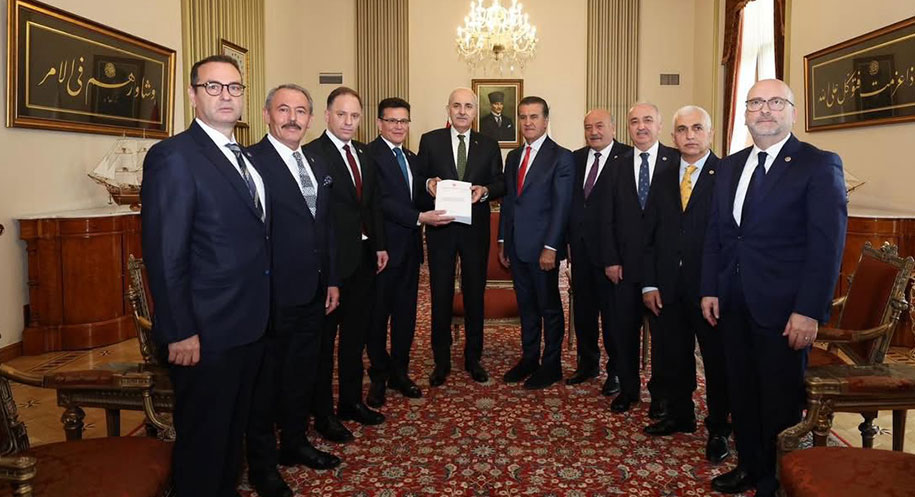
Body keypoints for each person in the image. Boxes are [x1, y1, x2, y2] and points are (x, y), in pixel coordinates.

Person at [700, 79, 847, 497]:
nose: (765, 110)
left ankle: (778, 481)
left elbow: (826, 246)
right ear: (745, 114)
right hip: (733, 301)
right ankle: (749, 466)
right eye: (756, 103)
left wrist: (809, 310)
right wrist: (710, 287)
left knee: (779, 400)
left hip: (785, 309)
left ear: (793, 112)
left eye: (776, 102)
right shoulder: (729, 166)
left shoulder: (818, 164)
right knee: (742, 391)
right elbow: (717, 234)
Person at [141, 54, 268, 497]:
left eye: (234, 87)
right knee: (203, 444)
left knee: (232, 438)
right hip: (204, 333)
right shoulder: (174, 156)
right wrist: (179, 330)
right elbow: (165, 253)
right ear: (193, 95)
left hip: (248, 325)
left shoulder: (244, 158)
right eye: (213, 86)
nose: (226, 96)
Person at [244, 84, 341, 497]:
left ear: (311, 119)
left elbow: (325, 226)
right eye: (283, 110)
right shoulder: (251, 162)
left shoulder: (316, 161)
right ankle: (263, 467)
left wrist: (331, 279)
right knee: (265, 384)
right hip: (271, 295)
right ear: (267, 114)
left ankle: (295, 443)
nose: (292, 118)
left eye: (301, 111)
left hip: (314, 291)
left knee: (302, 374)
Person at [640, 105, 730, 464]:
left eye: (697, 128)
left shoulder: (726, 174)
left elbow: (730, 238)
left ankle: (719, 427)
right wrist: (649, 284)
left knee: (716, 362)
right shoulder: (662, 177)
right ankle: (680, 414)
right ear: (673, 136)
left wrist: (717, 287)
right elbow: (649, 235)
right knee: (673, 355)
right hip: (667, 286)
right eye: (682, 130)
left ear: (710, 133)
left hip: (709, 289)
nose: (689, 135)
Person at [303, 86, 387, 443]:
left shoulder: (364, 154)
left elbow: (371, 205)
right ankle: (323, 414)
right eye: (342, 114)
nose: (349, 122)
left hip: (364, 261)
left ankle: (351, 402)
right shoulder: (312, 154)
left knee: (355, 338)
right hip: (330, 266)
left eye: (354, 116)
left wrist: (379, 245)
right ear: (327, 116)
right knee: (325, 345)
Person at [366, 97, 453, 407]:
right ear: (379, 123)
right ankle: (378, 376)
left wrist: (436, 189)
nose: (398, 126)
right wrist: (419, 217)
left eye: (403, 121)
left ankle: (399, 373)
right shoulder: (369, 156)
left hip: (410, 252)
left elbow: (417, 197)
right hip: (382, 251)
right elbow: (380, 201)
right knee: (378, 318)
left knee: (405, 317)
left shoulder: (412, 159)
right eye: (392, 121)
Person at [419, 87, 505, 387]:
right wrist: (428, 184)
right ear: (448, 109)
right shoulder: (430, 141)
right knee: (440, 295)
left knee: (474, 295)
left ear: (475, 111)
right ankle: (441, 361)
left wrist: (486, 191)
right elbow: (418, 179)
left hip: (474, 231)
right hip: (441, 229)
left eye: (468, 106)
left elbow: (500, 182)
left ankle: (473, 358)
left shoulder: (489, 144)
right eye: (456, 105)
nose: (462, 111)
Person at [601, 102, 679, 414]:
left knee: (664, 338)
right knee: (624, 332)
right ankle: (628, 389)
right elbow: (606, 217)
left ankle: (661, 395)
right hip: (625, 266)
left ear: (660, 125)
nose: (641, 126)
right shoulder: (616, 165)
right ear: (628, 127)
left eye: (648, 120)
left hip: (664, 269)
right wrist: (610, 259)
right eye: (635, 121)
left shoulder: (676, 161)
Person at [498, 96, 574, 389]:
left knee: (549, 309)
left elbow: (561, 207)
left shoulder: (561, 157)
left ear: (545, 120)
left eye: (534, 117)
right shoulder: (514, 157)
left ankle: (551, 365)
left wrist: (551, 248)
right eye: (523, 117)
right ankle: (529, 358)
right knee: (527, 307)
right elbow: (508, 203)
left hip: (543, 250)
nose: (528, 122)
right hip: (517, 247)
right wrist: (503, 240)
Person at [566, 109, 630, 394]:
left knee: (613, 317)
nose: (594, 132)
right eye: (588, 126)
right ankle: (588, 363)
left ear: (613, 128)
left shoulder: (627, 157)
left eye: (600, 126)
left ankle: (616, 371)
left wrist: (618, 256)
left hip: (612, 256)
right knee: (584, 313)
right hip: (581, 253)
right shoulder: (575, 158)